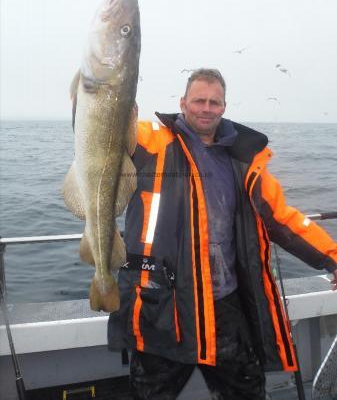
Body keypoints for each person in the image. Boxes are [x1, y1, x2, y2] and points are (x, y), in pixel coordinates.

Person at [108, 68, 337, 400]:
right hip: (163, 308)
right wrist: (93, 95)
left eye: (214, 102)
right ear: (183, 103)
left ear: (225, 106)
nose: (206, 108)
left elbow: (284, 219)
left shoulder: (243, 159)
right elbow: (107, 131)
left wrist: (332, 259)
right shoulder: (152, 141)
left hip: (225, 312)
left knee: (247, 392)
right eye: (199, 100)